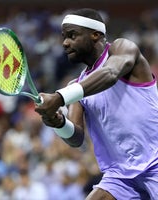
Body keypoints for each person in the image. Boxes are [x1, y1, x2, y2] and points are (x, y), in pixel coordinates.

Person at [35, 8, 158, 200]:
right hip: (120, 176)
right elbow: (76, 138)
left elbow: (110, 74)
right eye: (63, 37)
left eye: (72, 35)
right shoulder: (75, 87)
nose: (65, 43)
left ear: (95, 34)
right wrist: (58, 123)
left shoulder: (123, 48)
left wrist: (59, 97)